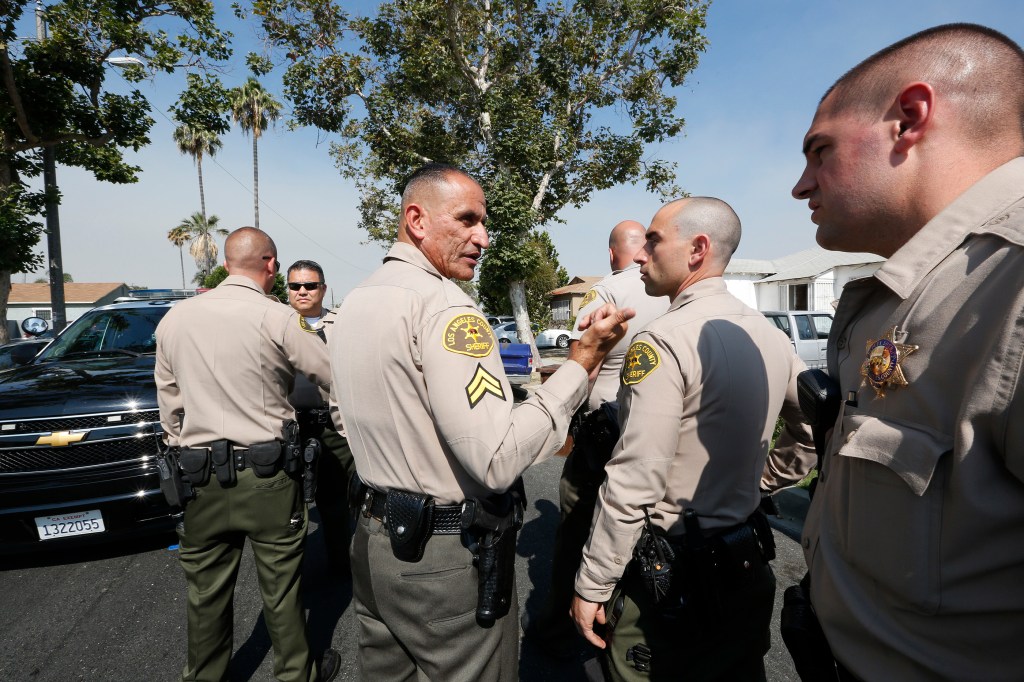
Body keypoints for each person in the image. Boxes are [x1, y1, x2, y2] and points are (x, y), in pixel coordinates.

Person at [330, 162, 635, 681]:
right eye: (468, 220)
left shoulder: (356, 301)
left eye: (484, 221)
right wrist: (581, 364)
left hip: (374, 540)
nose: (484, 237)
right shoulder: (447, 309)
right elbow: (495, 460)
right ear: (417, 220)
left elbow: (343, 418)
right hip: (441, 558)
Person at [790, 23, 1024, 680]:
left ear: (909, 119)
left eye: (820, 151)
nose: (801, 187)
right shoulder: (909, 289)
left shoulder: (1011, 285)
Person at [570, 197, 816, 681]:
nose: (641, 254)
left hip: (670, 577)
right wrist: (761, 483)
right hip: (743, 561)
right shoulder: (768, 335)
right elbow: (809, 430)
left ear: (698, 249)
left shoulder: (662, 340)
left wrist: (593, 582)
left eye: (655, 241)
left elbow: (637, 477)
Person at [155, 227, 340, 682]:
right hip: (267, 474)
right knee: (281, 586)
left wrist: (185, 446)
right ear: (271, 265)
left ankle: (205, 676)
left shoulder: (175, 319)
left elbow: (170, 405)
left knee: (205, 591)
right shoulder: (278, 318)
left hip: (198, 475)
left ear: (225, 263)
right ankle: (295, 674)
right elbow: (329, 373)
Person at [525, 220, 669, 653]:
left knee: (575, 533)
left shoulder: (608, 291)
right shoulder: (676, 293)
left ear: (612, 254)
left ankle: (556, 627)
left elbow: (582, 361)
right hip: (656, 439)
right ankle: (623, 632)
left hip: (601, 438)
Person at [286, 259, 356, 575]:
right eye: (295, 286)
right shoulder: (276, 324)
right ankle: (293, 574)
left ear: (323, 289)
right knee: (289, 505)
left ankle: (345, 567)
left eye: (310, 285)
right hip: (291, 427)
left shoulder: (344, 324)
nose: (302, 291)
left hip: (335, 426)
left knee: (338, 501)